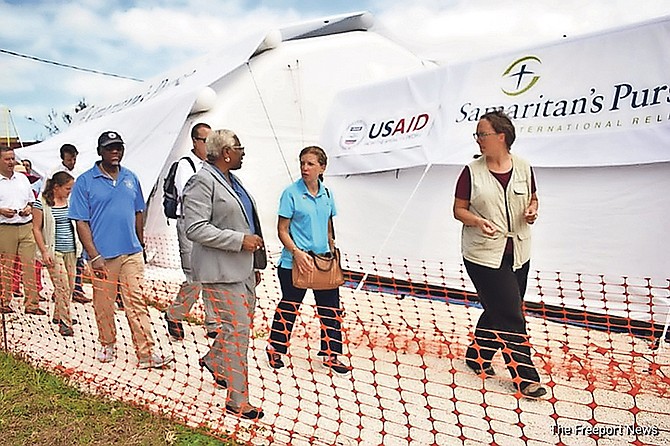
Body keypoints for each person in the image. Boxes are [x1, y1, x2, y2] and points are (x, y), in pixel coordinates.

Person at [452, 110, 546, 398]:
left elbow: (533, 198)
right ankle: (525, 377)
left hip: (518, 249)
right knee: (511, 312)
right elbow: (458, 210)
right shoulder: (471, 172)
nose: (478, 140)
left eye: (483, 134)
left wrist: (532, 211)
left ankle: (477, 356)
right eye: (477, 135)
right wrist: (478, 221)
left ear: (501, 137)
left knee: (501, 307)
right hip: (482, 254)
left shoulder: (524, 167)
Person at [69, 131, 173, 369]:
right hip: (102, 257)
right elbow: (80, 222)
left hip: (132, 253)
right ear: (100, 152)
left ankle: (146, 353)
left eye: (118, 147)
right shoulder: (85, 181)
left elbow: (138, 211)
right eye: (109, 148)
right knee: (104, 304)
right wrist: (93, 255)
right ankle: (107, 342)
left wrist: (140, 243)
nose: (115, 152)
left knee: (135, 302)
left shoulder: (130, 177)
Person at [182, 129, 266, 420]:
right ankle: (237, 400)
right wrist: (239, 241)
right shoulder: (201, 181)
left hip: (242, 268)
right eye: (239, 148)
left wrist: (252, 263)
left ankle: (215, 361)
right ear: (226, 153)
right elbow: (194, 227)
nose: (243, 152)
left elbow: (245, 220)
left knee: (237, 329)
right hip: (220, 271)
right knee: (239, 330)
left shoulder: (232, 180)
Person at [266, 146, 351, 374]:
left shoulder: (328, 194)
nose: (305, 167)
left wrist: (332, 250)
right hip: (295, 263)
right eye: (302, 163)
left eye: (310, 163)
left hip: (323, 262)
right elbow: (282, 230)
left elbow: (329, 226)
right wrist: (296, 252)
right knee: (290, 306)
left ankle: (332, 355)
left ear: (322, 167)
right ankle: (275, 348)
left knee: (330, 308)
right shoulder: (290, 193)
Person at [165, 122, 218, 340]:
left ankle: (213, 321)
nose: (210, 145)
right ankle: (175, 314)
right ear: (195, 141)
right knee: (194, 275)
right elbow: (192, 196)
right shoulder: (185, 166)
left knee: (212, 273)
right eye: (206, 140)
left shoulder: (213, 167)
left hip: (210, 223)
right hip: (190, 224)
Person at [32, 171, 81, 336]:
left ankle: (58, 314)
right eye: (67, 188)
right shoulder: (42, 204)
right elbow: (36, 229)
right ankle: (65, 322)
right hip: (54, 250)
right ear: (56, 187)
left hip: (71, 250)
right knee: (62, 286)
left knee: (71, 285)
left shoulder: (71, 202)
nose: (70, 191)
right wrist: (44, 251)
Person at [0, 146, 43, 315]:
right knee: (6, 266)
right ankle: (4, 301)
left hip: (26, 226)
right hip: (5, 228)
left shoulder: (23, 179)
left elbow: (32, 201)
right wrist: (1, 210)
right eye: (7, 159)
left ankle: (32, 305)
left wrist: (28, 208)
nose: (11, 162)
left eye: (12, 158)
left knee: (29, 265)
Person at [49, 143, 90, 304]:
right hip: (59, 216)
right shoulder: (54, 173)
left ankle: (77, 288)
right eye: (69, 159)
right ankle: (59, 290)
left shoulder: (80, 174)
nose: (72, 162)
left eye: (74, 158)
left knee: (78, 253)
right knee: (59, 256)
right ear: (62, 158)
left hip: (76, 215)